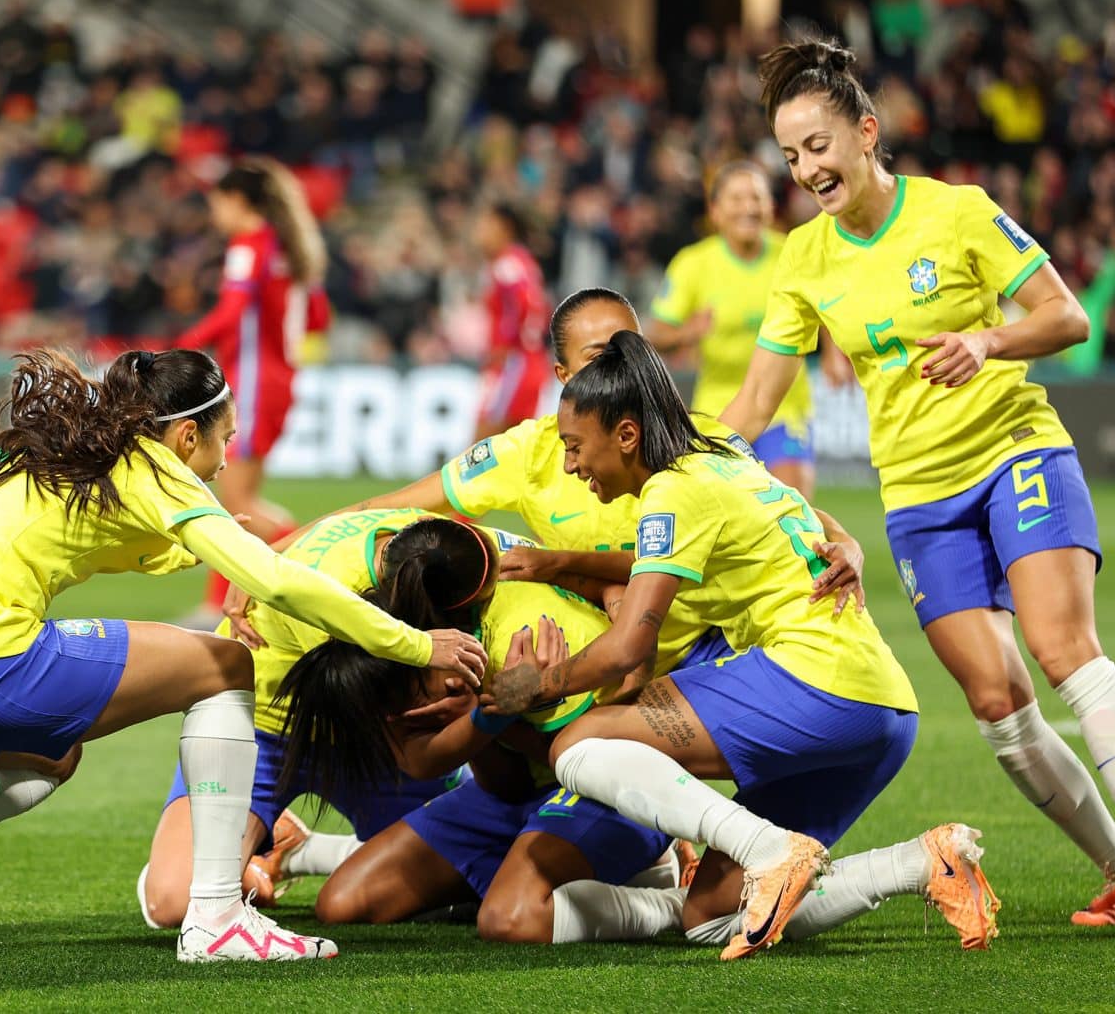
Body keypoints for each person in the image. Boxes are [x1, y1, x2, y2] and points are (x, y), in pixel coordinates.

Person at [719, 36, 1115, 938]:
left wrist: (988, 342)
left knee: (1062, 651)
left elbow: (1066, 315)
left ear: (866, 133)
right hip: (917, 497)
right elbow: (755, 399)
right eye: (790, 156)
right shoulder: (805, 259)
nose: (805, 169)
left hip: (1016, 450)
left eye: (818, 146)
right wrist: (680, 450)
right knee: (994, 701)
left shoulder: (958, 214)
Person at [0, 348, 486, 963]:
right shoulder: (154, 467)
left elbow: (119, 542)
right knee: (226, 666)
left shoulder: (45, 449)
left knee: (48, 756)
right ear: (187, 438)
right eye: (225, 439)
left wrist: (215, 544)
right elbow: (279, 583)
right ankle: (217, 916)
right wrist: (420, 643)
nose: (229, 462)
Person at [482, 331, 960, 960]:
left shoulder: (673, 489)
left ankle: (770, 852)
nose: (571, 465)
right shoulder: (720, 449)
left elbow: (627, 650)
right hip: (883, 710)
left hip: (814, 680)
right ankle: (924, 864)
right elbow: (798, 521)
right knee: (712, 915)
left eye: (575, 447)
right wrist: (562, 561)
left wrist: (527, 689)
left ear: (626, 435)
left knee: (581, 742)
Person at [226, 288, 869, 677]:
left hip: (692, 657)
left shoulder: (688, 440)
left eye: (631, 347)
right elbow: (385, 510)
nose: (623, 367)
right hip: (592, 660)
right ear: (563, 374)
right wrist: (259, 566)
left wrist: (845, 542)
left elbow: (781, 505)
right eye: (598, 356)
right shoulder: (529, 452)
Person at [275, 516, 674, 943]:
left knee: (509, 919)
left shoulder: (525, 640)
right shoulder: (392, 630)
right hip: (515, 793)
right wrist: (486, 718)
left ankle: (676, 902)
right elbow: (426, 760)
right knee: (342, 903)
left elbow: (604, 766)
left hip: (607, 794)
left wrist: (506, 711)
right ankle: (533, 876)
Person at [139, 506, 506, 928]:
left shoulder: (426, 542)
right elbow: (411, 741)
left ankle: (296, 847)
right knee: (173, 902)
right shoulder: (331, 605)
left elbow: (329, 524)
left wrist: (261, 560)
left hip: (364, 722)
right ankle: (274, 843)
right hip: (260, 725)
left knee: (479, 868)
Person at [176, 158, 324, 623]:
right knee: (232, 497)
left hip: (255, 383)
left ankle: (315, 556)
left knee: (235, 501)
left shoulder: (249, 245)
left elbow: (232, 311)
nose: (214, 212)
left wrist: (178, 350)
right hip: (278, 380)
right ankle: (216, 605)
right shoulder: (286, 248)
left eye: (216, 202)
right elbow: (317, 317)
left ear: (236, 201)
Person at [647, 162, 818, 497]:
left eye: (756, 198)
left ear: (770, 206)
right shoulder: (693, 263)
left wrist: (836, 356)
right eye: (736, 198)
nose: (748, 208)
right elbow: (655, 333)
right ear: (715, 210)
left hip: (784, 403)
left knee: (794, 510)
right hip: (718, 409)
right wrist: (686, 334)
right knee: (717, 514)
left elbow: (828, 304)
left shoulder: (792, 254)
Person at [474, 202, 552, 442]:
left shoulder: (507, 265)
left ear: (504, 229)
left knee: (478, 450)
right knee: (515, 449)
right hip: (528, 361)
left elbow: (527, 308)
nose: (479, 233)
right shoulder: (522, 262)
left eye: (486, 225)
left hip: (514, 364)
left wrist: (505, 347)